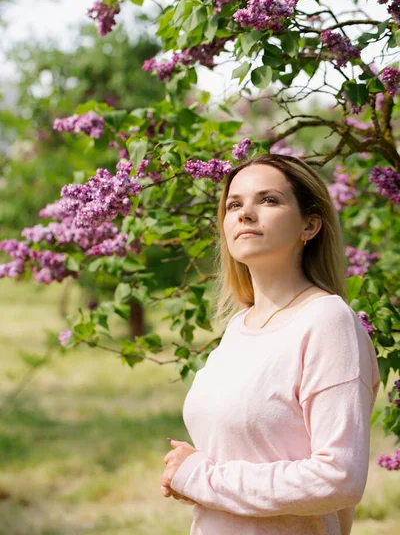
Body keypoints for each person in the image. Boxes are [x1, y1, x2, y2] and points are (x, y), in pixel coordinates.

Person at [160, 153, 381, 535]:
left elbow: (339, 477)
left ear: (310, 225)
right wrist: (195, 477)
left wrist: (200, 478)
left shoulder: (328, 321)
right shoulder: (237, 328)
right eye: (234, 204)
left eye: (268, 200)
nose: (245, 213)